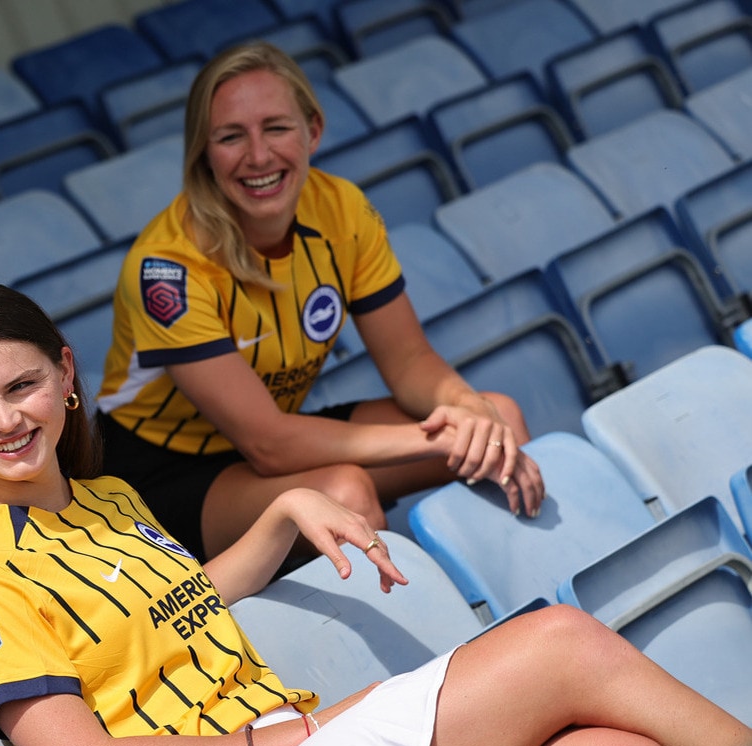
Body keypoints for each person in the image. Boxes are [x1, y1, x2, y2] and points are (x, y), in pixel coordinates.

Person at [0, 282, 751, 746]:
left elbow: (174, 608)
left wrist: (281, 513)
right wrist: (290, 741)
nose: (4, 421)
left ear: (65, 375)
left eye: (20, 386)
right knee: (563, 643)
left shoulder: (108, 500)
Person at [96, 41, 545, 563]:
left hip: (271, 445)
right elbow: (270, 445)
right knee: (344, 493)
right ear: (204, 151)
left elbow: (409, 362)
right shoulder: (166, 268)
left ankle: (521, 598)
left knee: (500, 425)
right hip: (160, 477)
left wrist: (470, 412)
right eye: (231, 136)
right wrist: (437, 439)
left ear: (313, 130)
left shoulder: (342, 210)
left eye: (277, 128)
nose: (259, 155)